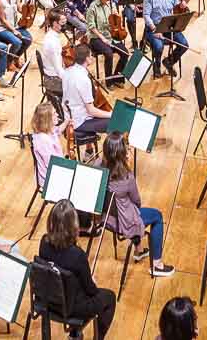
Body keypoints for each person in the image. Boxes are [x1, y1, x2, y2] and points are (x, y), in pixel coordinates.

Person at [36, 200, 115, 340]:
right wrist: (91, 281)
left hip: (48, 301)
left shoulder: (44, 243)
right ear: (74, 226)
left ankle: (75, 334)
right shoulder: (78, 255)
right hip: (71, 307)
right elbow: (91, 291)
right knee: (109, 297)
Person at [103, 136, 172, 276]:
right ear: (123, 153)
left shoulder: (98, 167)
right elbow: (137, 202)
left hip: (105, 218)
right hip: (124, 223)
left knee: (134, 212)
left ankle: (139, 250)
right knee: (156, 216)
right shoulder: (127, 177)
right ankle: (157, 265)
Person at [60, 41, 111, 145]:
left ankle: (89, 150)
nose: (92, 57)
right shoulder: (83, 79)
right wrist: (111, 114)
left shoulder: (67, 71)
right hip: (79, 122)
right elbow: (91, 111)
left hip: (69, 115)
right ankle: (114, 155)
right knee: (115, 123)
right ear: (87, 59)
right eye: (91, 55)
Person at [28, 100, 63, 189]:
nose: (58, 115)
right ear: (47, 119)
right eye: (54, 113)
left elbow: (57, 131)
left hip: (57, 169)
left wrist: (66, 123)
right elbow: (52, 165)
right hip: (50, 179)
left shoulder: (49, 129)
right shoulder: (43, 141)